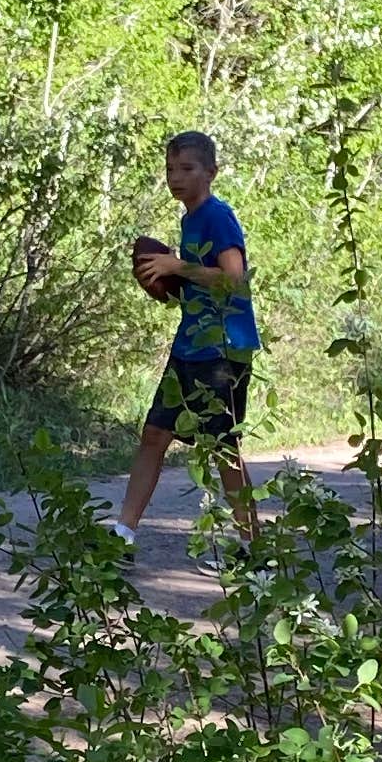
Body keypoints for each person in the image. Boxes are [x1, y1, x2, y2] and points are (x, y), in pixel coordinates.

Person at [122, 131, 259, 538]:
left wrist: (177, 268)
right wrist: (168, 285)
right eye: (169, 169)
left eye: (186, 168)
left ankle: (255, 547)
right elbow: (200, 283)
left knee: (222, 448)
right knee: (154, 434)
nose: (175, 177)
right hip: (191, 344)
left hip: (223, 349)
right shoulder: (189, 219)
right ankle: (122, 533)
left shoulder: (217, 215)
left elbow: (235, 280)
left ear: (211, 172)